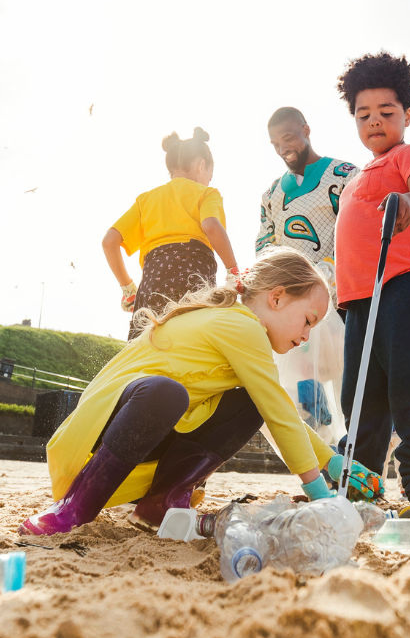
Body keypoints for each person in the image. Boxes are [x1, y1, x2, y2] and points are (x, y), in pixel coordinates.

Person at [22, 248, 377, 535]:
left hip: (138, 435)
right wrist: (320, 492)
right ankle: (74, 506)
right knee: (165, 393)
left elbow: (275, 409)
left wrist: (332, 460)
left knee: (249, 403)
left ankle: (157, 504)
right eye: (309, 320)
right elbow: (282, 414)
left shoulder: (242, 327)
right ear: (278, 297)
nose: (306, 337)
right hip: (94, 445)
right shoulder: (241, 326)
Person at [333, 52, 410, 519]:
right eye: (364, 115)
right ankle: (357, 484)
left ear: (407, 115)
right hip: (360, 300)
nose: (374, 122)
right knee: (360, 398)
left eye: (386, 112)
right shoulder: (357, 174)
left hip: (406, 286)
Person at [257, 106, 356, 436]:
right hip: (294, 307)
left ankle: (359, 457)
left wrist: (329, 271)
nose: (283, 149)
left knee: (351, 384)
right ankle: (323, 458)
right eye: (274, 144)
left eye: (288, 138)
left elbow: (359, 231)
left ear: (306, 130)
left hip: (345, 299)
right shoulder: (272, 194)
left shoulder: (344, 175)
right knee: (303, 390)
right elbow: (265, 247)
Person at [103, 128, 240, 340]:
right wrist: (233, 271)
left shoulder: (146, 200)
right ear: (201, 165)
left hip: (152, 280)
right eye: (209, 176)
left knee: (146, 349)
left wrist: (129, 289)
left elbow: (109, 241)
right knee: (191, 347)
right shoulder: (207, 194)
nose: (209, 182)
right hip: (194, 280)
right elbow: (211, 226)